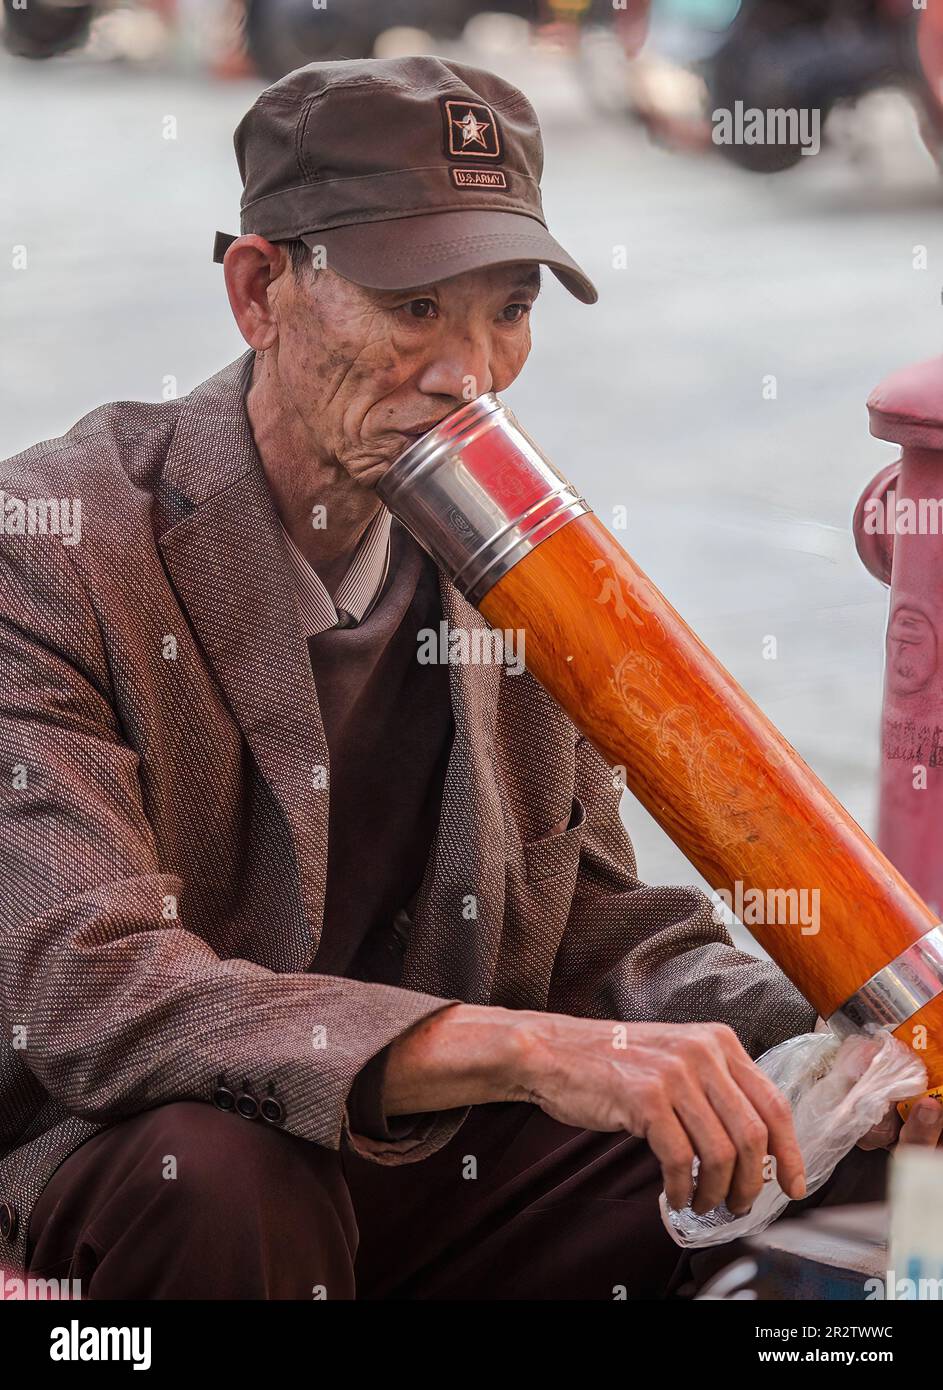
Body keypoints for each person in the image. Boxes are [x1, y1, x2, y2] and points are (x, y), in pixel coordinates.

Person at [2, 55, 935, 1301]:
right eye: (413, 307)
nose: (470, 371)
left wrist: (841, 1059)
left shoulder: (518, 560)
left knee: (842, 1166)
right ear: (259, 288)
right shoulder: (54, 546)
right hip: (154, 1159)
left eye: (505, 308)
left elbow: (604, 932)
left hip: (438, 1165)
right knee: (224, 1173)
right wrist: (529, 1050)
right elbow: (91, 983)